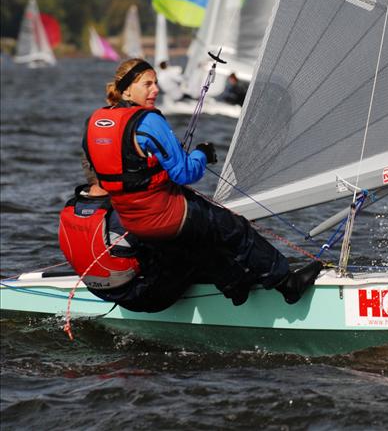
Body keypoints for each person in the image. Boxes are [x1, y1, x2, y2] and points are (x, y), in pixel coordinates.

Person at [82, 58, 322, 307]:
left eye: (155, 83)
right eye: (148, 84)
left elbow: (98, 168)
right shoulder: (148, 120)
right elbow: (185, 173)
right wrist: (203, 154)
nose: (156, 89)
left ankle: (236, 287)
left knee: (199, 239)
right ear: (127, 89)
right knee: (234, 228)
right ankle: (287, 283)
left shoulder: (94, 122)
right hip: (166, 215)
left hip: (134, 222)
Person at [58, 161, 241, 312]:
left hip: (103, 292)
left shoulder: (73, 206)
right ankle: (238, 287)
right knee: (195, 241)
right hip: (146, 297)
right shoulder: (126, 213)